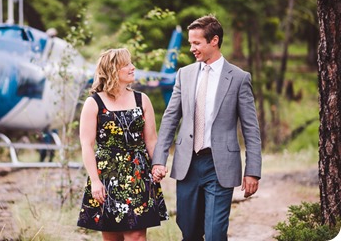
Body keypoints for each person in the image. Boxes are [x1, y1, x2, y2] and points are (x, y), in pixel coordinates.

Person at [152, 15, 262, 241]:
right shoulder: (185, 74)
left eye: (196, 43)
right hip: (187, 164)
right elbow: (170, 118)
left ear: (214, 41)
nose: (192, 48)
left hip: (219, 165)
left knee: (214, 233)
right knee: (189, 231)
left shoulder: (239, 78)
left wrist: (253, 171)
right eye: (190, 43)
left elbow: (251, 129)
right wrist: (159, 159)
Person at [77, 48, 168, 240]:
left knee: (136, 235)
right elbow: (87, 145)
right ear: (112, 70)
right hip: (107, 175)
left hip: (138, 173)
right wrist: (95, 181)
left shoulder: (141, 99)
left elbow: (151, 139)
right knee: (112, 237)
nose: (133, 67)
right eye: (126, 64)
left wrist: (158, 164)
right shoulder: (93, 103)